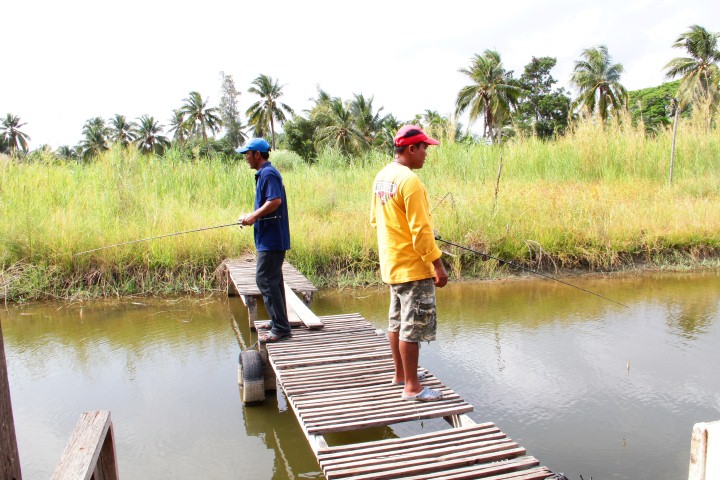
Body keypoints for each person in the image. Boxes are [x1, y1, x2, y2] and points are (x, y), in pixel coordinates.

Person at [370, 125, 448, 402]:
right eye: (425, 148)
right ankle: (412, 388)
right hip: (413, 267)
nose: (427, 154)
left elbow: (376, 219)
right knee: (412, 326)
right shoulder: (410, 181)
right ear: (411, 149)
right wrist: (437, 265)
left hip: (392, 264)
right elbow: (421, 232)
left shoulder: (382, 177)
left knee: (396, 322)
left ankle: (401, 374)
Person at [237, 138, 292, 342]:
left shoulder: (268, 174)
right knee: (273, 280)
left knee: (264, 279)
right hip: (269, 238)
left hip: (272, 239)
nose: (246, 158)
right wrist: (250, 215)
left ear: (257, 154)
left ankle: (280, 328)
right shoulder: (265, 174)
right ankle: (279, 320)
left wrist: (253, 216)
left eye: (247, 154)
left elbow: (275, 201)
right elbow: (268, 202)